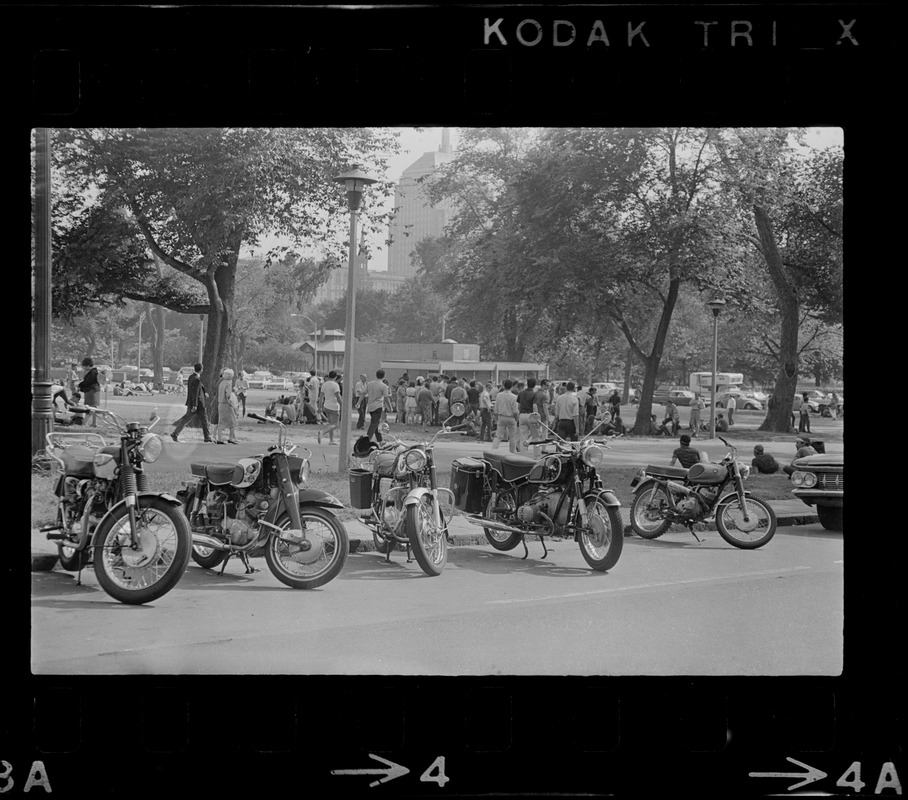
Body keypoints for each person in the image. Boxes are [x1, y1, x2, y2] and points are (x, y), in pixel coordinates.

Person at [171, 363, 213, 443]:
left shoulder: (191, 377)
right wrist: (195, 405)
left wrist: (203, 394)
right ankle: (207, 437)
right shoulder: (197, 379)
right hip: (198, 404)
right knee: (204, 420)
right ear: (201, 369)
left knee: (186, 419)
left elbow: (196, 390)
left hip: (192, 403)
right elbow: (195, 392)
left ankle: (175, 433)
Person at [493, 378, 520, 452]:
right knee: (512, 437)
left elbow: (495, 409)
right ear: (512, 386)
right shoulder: (514, 397)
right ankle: (512, 452)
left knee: (498, 436)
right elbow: (515, 411)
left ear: (503, 386)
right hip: (511, 418)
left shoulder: (499, 395)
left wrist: (496, 419)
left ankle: (493, 450)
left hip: (501, 417)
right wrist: (517, 419)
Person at [365, 369, 390, 443]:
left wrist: (359, 402)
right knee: (374, 423)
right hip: (378, 406)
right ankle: (367, 439)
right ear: (383, 376)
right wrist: (390, 406)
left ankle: (380, 440)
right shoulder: (384, 386)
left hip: (370, 406)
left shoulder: (370, 384)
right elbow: (386, 397)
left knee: (376, 423)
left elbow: (363, 393)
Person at [318, 370, 342, 445]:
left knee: (331, 423)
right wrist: (342, 405)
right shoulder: (335, 385)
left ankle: (331, 440)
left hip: (326, 405)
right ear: (335, 377)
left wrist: (320, 407)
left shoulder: (324, 384)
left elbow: (321, 397)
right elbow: (338, 396)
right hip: (334, 406)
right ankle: (323, 432)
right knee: (335, 424)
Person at [215, 368, 239, 444]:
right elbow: (228, 395)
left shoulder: (221, 383)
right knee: (233, 421)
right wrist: (233, 394)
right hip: (227, 404)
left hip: (220, 403)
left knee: (221, 421)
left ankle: (219, 438)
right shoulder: (228, 383)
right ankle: (231, 438)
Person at [516, 377, 539, 452]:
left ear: (527, 384)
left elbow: (518, 406)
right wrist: (537, 417)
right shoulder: (534, 394)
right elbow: (534, 406)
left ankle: (523, 454)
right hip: (531, 415)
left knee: (523, 436)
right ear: (534, 385)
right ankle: (536, 453)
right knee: (535, 435)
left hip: (522, 415)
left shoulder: (521, 393)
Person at [77, 357, 102, 426]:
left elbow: (87, 382)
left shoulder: (92, 372)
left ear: (88, 365)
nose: (83, 368)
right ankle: (94, 423)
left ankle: (84, 423)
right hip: (94, 390)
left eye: (84, 366)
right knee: (94, 407)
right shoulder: (93, 372)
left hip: (91, 391)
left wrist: (79, 385)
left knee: (90, 408)